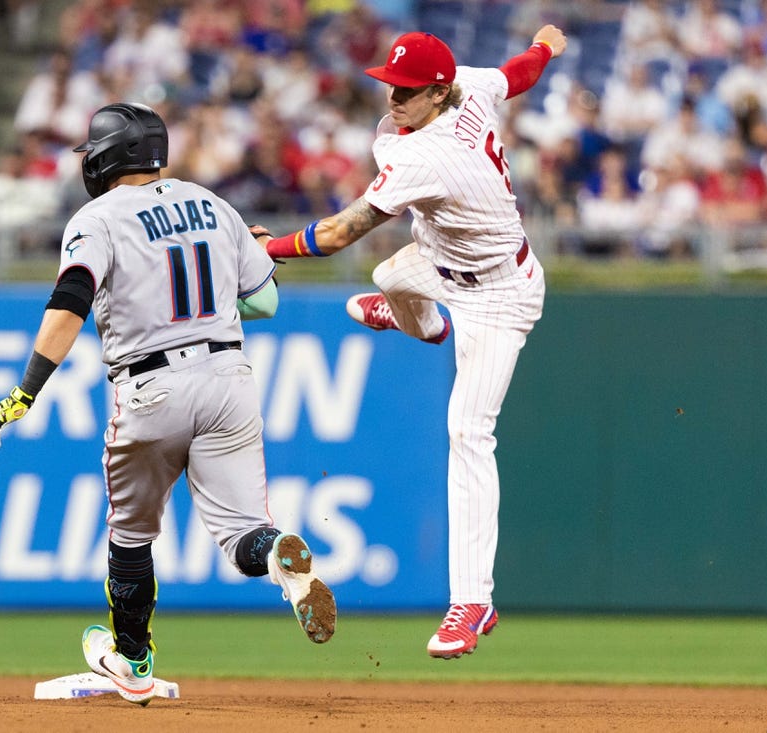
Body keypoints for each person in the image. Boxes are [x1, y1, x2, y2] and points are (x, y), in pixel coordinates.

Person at [0, 102, 336, 705]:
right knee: (244, 536)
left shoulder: (98, 217)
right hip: (228, 376)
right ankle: (280, 556)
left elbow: (71, 301)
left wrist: (24, 391)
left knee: (130, 535)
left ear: (104, 158)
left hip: (151, 384)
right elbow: (266, 301)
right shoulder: (212, 204)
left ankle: (134, 663)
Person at [254, 26, 567, 659]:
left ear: (438, 92)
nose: (393, 97)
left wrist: (273, 247)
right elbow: (515, 75)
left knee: (467, 432)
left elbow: (339, 234)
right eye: (390, 84)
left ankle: (472, 602)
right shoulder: (469, 87)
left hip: (499, 295)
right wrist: (543, 49)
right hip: (439, 263)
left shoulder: (426, 154)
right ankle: (422, 324)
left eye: (407, 90)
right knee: (389, 276)